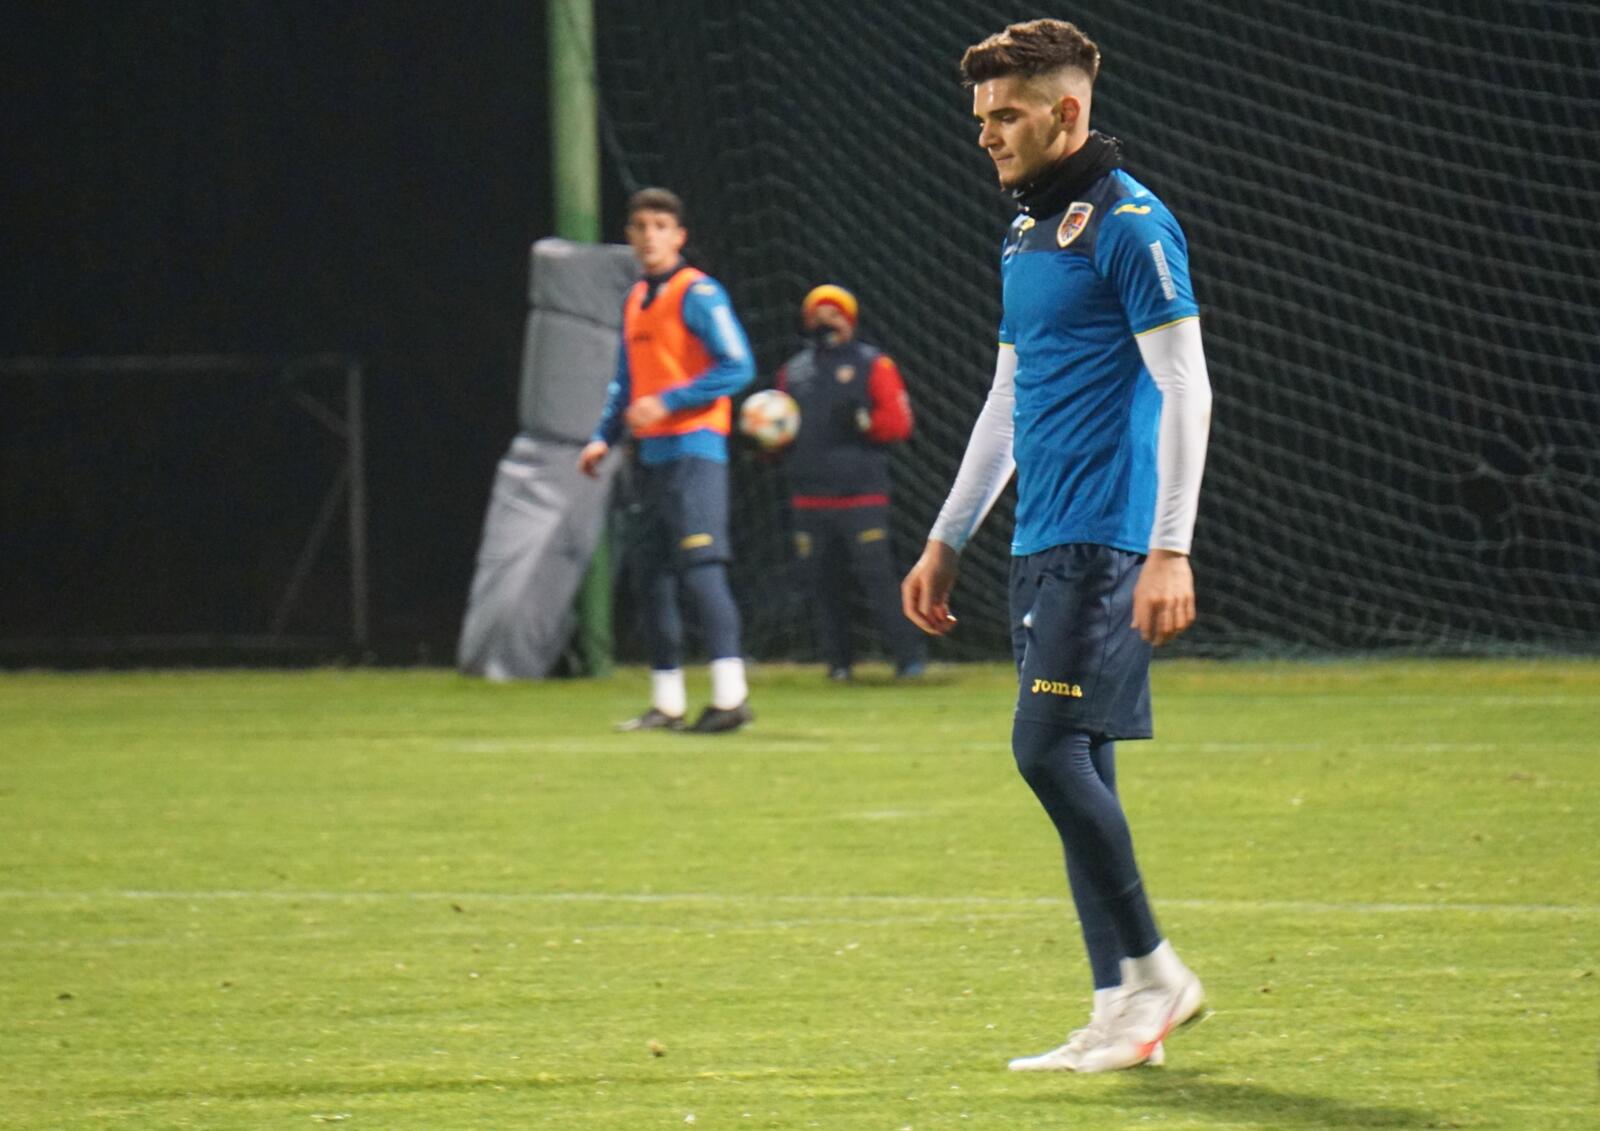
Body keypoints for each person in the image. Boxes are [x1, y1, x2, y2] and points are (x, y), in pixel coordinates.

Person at [901, 20, 1214, 1072]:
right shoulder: (1029, 231)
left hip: (1106, 539)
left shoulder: (1131, 223)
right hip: (1043, 537)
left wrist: (1169, 549)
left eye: (1006, 114)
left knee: (1043, 751)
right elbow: (1008, 395)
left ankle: (1158, 973)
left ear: (1066, 110)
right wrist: (948, 536)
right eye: (981, 117)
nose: (986, 134)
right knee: (1084, 765)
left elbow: (1185, 386)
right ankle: (1119, 1007)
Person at [579, 187, 756, 733]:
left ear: (679, 236)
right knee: (651, 578)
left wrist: (669, 402)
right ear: (629, 236)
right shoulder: (636, 298)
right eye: (640, 226)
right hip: (649, 458)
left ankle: (730, 699)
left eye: (660, 225)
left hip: (695, 452)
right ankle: (668, 703)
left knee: (702, 571)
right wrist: (602, 436)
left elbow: (738, 365)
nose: (649, 235)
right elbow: (625, 380)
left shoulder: (698, 292)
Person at [774, 284, 926, 681]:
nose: (826, 322)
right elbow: (779, 429)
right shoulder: (794, 371)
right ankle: (838, 664)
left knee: (878, 581)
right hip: (809, 498)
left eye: (834, 314)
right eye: (818, 315)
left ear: (850, 320)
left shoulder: (873, 364)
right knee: (823, 584)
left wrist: (865, 422)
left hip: (861, 496)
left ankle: (908, 659)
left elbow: (899, 423)